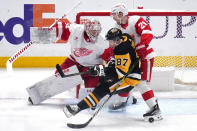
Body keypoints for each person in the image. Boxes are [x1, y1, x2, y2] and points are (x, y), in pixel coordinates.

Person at [27, 18, 114, 104]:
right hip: (74, 61)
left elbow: (110, 59)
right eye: (93, 31)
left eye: (97, 31)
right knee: (58, 76)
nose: (95, 33)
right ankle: (41, 93)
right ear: (87, 29)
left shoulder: (103, 42)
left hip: (93, 68)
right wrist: (42, 34)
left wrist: (108, 70)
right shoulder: (75, 31)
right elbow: (61, 29)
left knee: (91, 93)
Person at [63, 28, 142, 118]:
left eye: (111, 41)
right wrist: (104, 70)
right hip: (128, 71)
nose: (109, 43)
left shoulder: (122, 51)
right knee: (101, 79)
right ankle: (93, 102)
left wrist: (101, 70)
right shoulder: (125, 37)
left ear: (117, 40)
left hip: (129, 79)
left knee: (102, 89)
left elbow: (120, 74)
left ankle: (77, 108)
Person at [110, 3, 162, 119]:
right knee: (126, 79)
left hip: (145, 57)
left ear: (121, 13)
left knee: (142, 83)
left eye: (114, 14)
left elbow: (147, 32)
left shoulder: (136, 20)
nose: (113, 16)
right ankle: (124, 101)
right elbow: (116, 44)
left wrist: (142, 45)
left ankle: (154, 108)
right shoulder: (117, 27)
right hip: (132, 59)